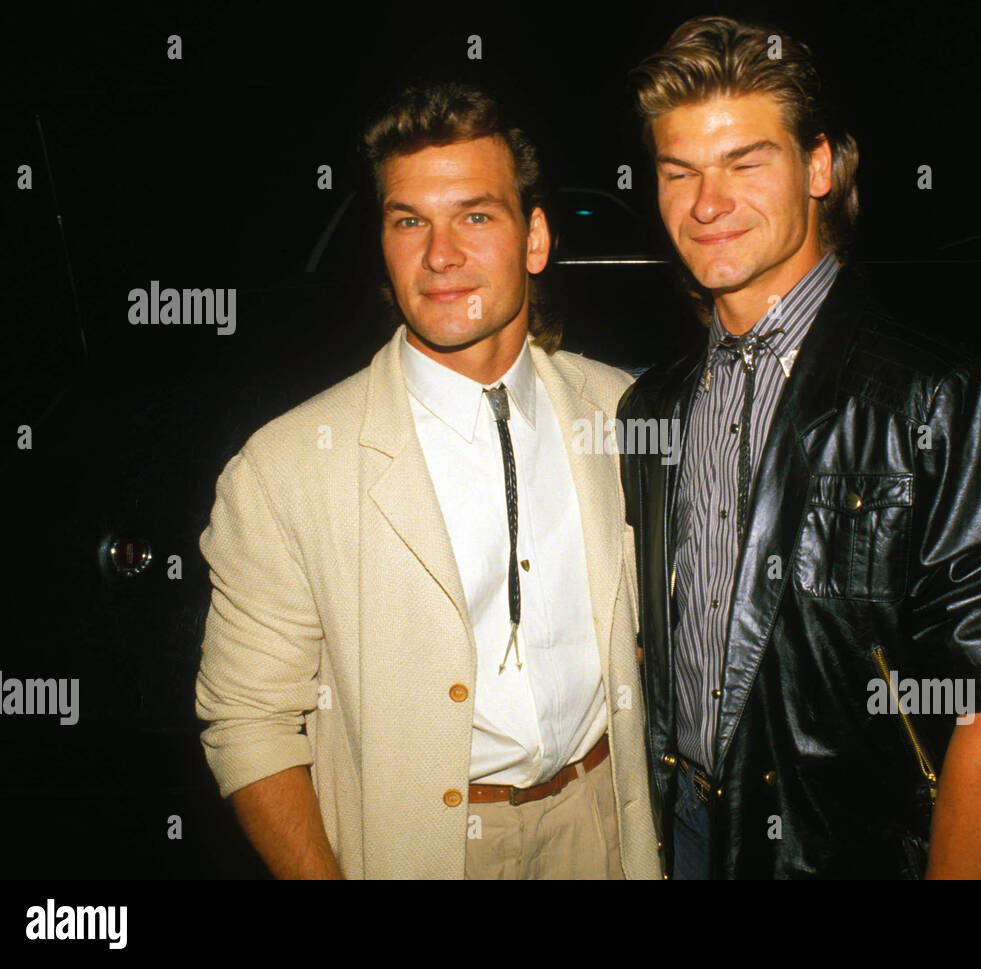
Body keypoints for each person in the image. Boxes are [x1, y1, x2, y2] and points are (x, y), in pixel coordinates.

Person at [618, 15, 981, 879]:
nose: (707, 203)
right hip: (687, 835)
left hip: (846, 851)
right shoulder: (655, 403)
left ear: (819, 166)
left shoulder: (935, 394)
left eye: (746, 163)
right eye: (680, 172)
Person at [195, 80, 660, 879]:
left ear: (535, 239)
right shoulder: (285, 469)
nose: (440, 255)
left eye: (475, 216)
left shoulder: (622, 414)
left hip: (606, 825)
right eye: (409, 221)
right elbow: (248, 719)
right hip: (422, 850)